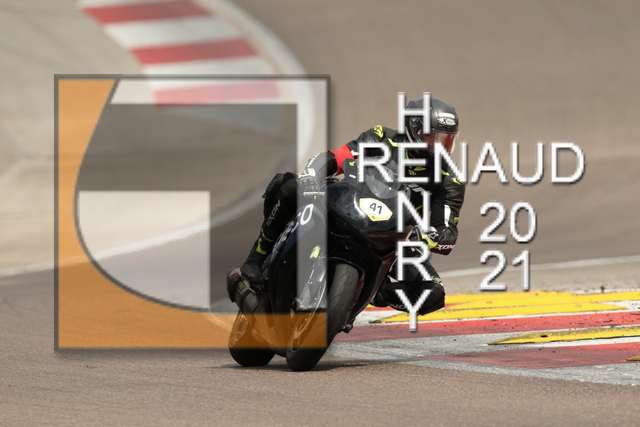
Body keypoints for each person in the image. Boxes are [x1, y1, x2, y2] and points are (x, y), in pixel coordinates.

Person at [227, 96, 465, 316]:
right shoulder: (382, 137)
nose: (440, 147)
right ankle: (257, 257)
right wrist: (312, 173)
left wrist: (430, 236)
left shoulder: (450, 179)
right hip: (349, 204)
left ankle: (371, 293)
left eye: (446, 141)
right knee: (289, 185)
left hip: (394, 238)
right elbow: (337, 157)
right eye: (433, 138)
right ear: (414, 129)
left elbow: (447, 231)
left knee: (432, 294)